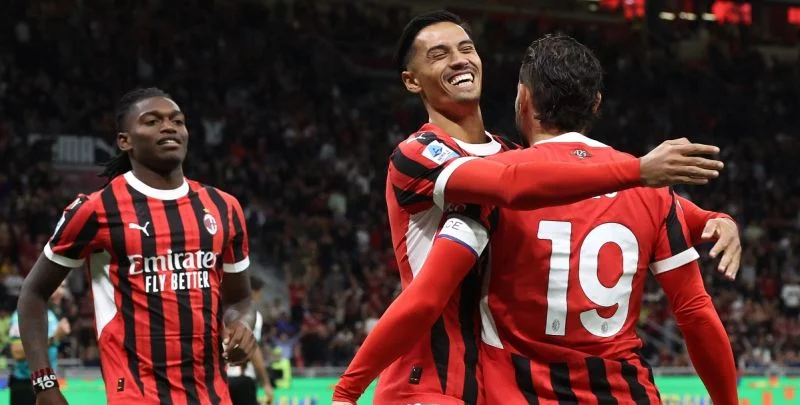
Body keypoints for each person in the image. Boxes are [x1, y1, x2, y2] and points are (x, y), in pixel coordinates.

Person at [334, 10, 726, 405]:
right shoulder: (419, 154)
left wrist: (712, 219)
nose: (458, 60)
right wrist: (638, 171)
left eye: (466, 48)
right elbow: (509, 186)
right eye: (438, 54)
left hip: (489, 386)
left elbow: (578, 184)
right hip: (427, 379)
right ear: (411, 80)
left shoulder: (513, 158)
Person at [17, 88, 258, 405]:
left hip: (213, 396)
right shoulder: (96, 210)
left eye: (177, 121)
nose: (169, 127)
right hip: (136, 395)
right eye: (152, 121)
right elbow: (33, 293)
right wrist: (44, 384)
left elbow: (241, 299)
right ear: (125, 141)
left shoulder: (223, 207)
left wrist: (242, 323)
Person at [8, 282, 70, 405]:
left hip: (47, 384)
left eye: (63, 287)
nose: (61, 292)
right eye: (58, 285)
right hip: (25, 388)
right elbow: (17, 352)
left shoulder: (52, 314)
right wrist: (54, 338)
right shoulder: (24, 314)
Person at [227, 277, 274, 405]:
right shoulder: (251, 314)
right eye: (258, 291)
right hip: (242, 378)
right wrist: (266, 382)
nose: (260, 295)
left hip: (221, 378)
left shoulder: (225, 310)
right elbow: (251, 347)